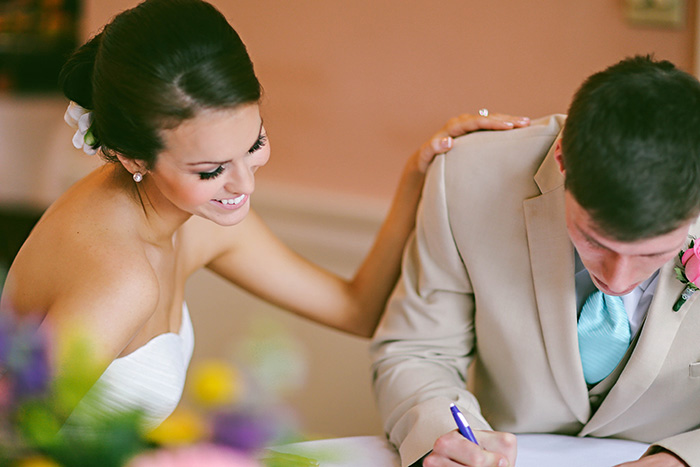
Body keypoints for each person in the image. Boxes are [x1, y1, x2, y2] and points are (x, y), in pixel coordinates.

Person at [0, 0, 529, 429]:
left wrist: (420, 173)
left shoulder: (194, 221)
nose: (244, 183)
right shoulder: (119, 279)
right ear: (133, 157)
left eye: (255, 143)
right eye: (210, 170)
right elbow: (17, 442)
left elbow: (356, 309)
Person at [371, 55, 700, 467]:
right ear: (562, 160)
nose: (619, 280)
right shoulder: (467, 177)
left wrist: (684, 459)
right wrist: (449, 438)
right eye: (594, 241)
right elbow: (419, 350)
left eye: (652, 254)